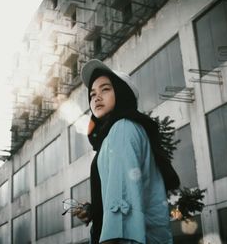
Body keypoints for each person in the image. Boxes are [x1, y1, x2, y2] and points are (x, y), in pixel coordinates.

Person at [74, 59, 180, 244]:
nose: (96, 97)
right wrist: (95, 211)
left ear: (122, 93)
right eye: (92, 94)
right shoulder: (116, 135)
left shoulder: (122, 129)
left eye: (105, 89)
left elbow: (123, 210)